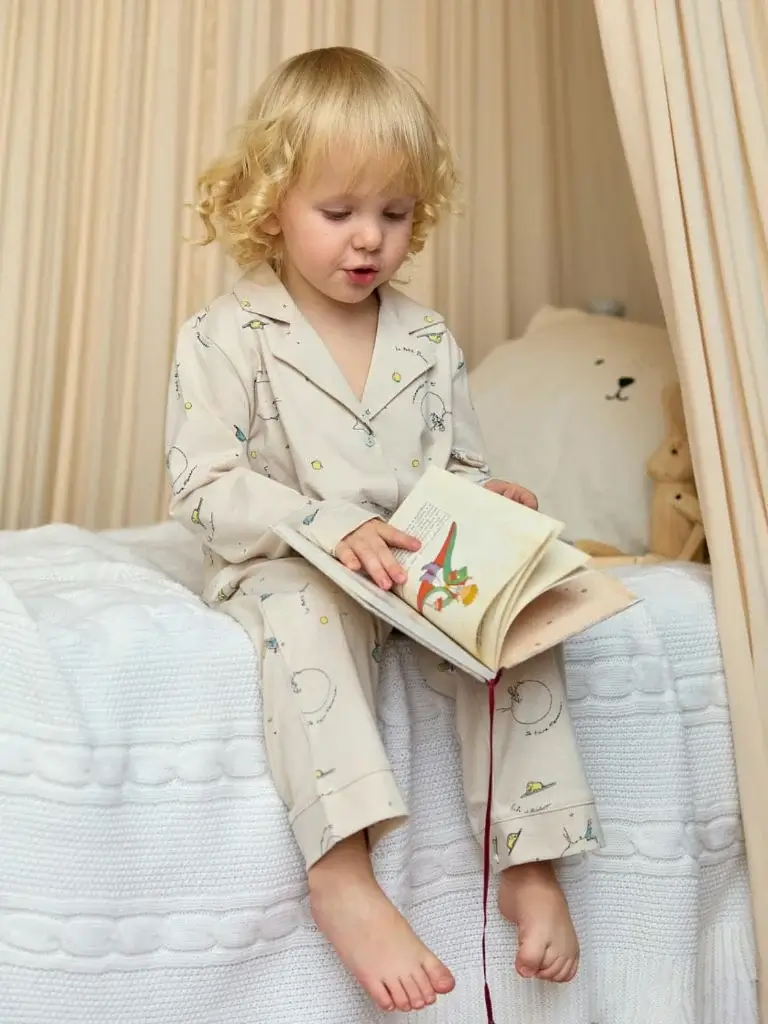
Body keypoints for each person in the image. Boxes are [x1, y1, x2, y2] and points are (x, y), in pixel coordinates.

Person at [165, 45, 602, 1015]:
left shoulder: (426, 339)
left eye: (394, 215)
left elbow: (459, 468)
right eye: (338, 213)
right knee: (305, 618)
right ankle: (342, 867)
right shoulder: (228, 336)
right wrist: (325, 523)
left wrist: (495, 508)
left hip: (417, 567)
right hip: (294, 560)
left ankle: (532, 858)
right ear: (269, 202)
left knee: (527, 623)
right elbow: (203, 484)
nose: (368, 240)